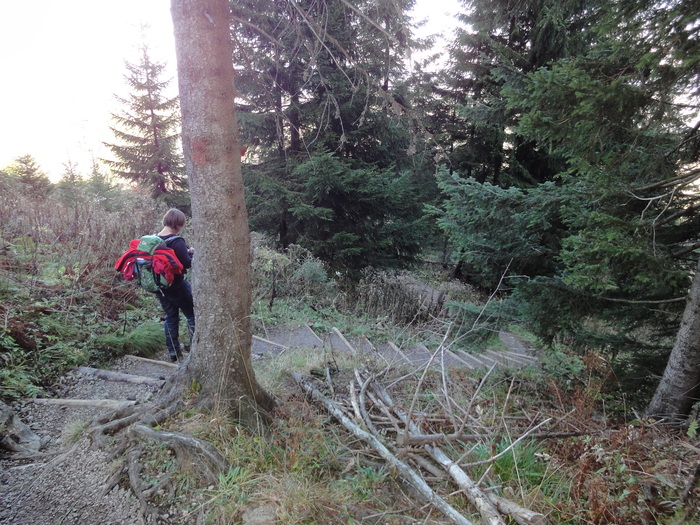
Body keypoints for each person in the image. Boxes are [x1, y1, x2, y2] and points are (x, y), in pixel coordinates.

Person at [156, 208, 195, 362]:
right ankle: (193, 351)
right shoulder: (177, 241)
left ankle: (173, 351)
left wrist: (187, 251)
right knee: (192, 315)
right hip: (177, 285)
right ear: (179, 224)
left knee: (171, 316)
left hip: (160, 287)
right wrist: (193, 254)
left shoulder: (155, 238)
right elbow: (187, 263)